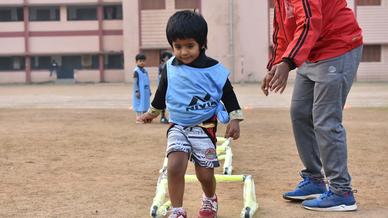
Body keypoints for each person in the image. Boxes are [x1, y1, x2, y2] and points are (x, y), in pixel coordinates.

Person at [262, 0, 363, 212]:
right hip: (310, 53)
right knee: (300, 113)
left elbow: (310, 21)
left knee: (325, 121)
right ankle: (314, 179)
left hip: (337, 46)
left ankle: (341, 191)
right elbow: (283, 29)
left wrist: (288, 62)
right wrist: (275, 65)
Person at [141, 10, 244, 218]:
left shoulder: (214, 70)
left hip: (204, 127)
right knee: (175, 165)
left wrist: (235, 119)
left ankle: (209, 198)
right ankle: (177, 210)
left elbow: (228, 94)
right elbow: (162, 93)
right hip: (178, 125)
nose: (183, 52)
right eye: (177, 47)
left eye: (189, 46)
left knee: (205, 175)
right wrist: (151, 113)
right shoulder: (170, 68)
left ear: (202, 43)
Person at [132, 53, 151, 123]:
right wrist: (137, 91)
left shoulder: (145, 71)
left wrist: (149, 90)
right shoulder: (136, 71)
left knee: (145, 104)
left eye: (143, 61)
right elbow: (135, 82)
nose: (142, 62)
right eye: (140, 61)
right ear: (136, 62)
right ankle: (138, 118)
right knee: (139, 104)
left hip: (145, 91)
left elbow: (147, 81)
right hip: (140, 91)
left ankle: (144, 117)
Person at [158, 51, 173, 124]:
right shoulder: (163, 66)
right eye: (167, 57)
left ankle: (168, 117)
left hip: (170, 86)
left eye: (169, 57)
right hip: (164, 86)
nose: (168, 59)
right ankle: (163, 117)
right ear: (163, 58)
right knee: (163, 101)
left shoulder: (170, 65)